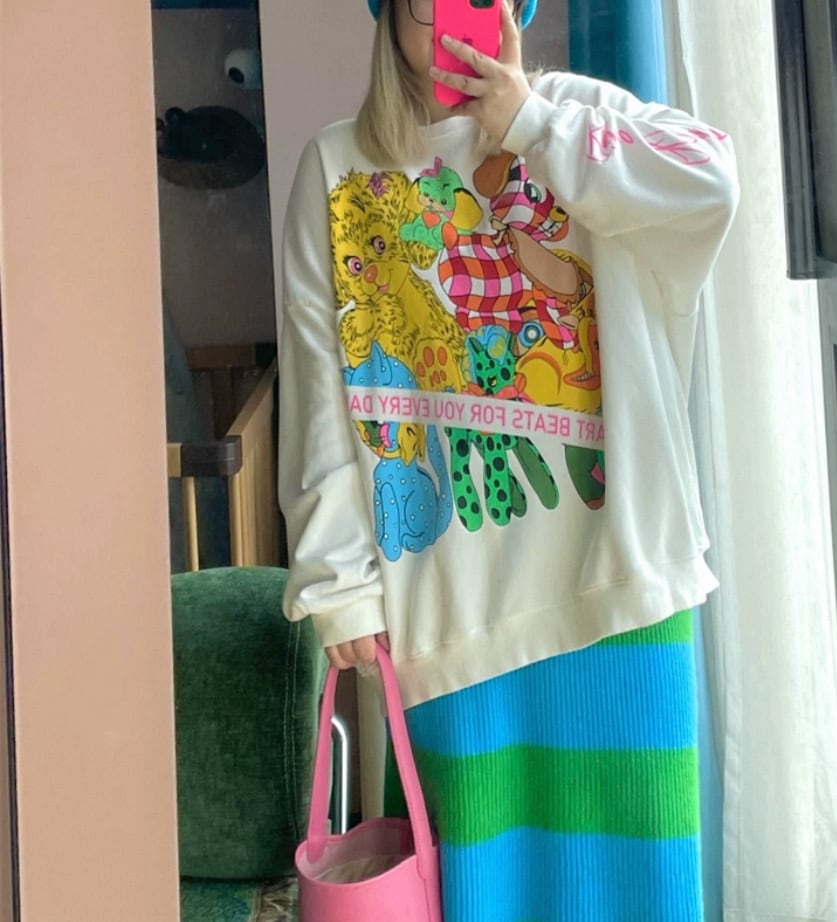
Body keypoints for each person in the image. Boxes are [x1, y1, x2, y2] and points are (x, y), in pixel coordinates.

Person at [278, 0, 738, 916]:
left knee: (639, 894)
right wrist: (337, 583)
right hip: (449, 617)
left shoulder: (576, 115)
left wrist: (530, 123)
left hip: (617, 594)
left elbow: (711, 181)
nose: (448, 21)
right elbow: (320, 384)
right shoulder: (337, 167)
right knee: (480, 896)